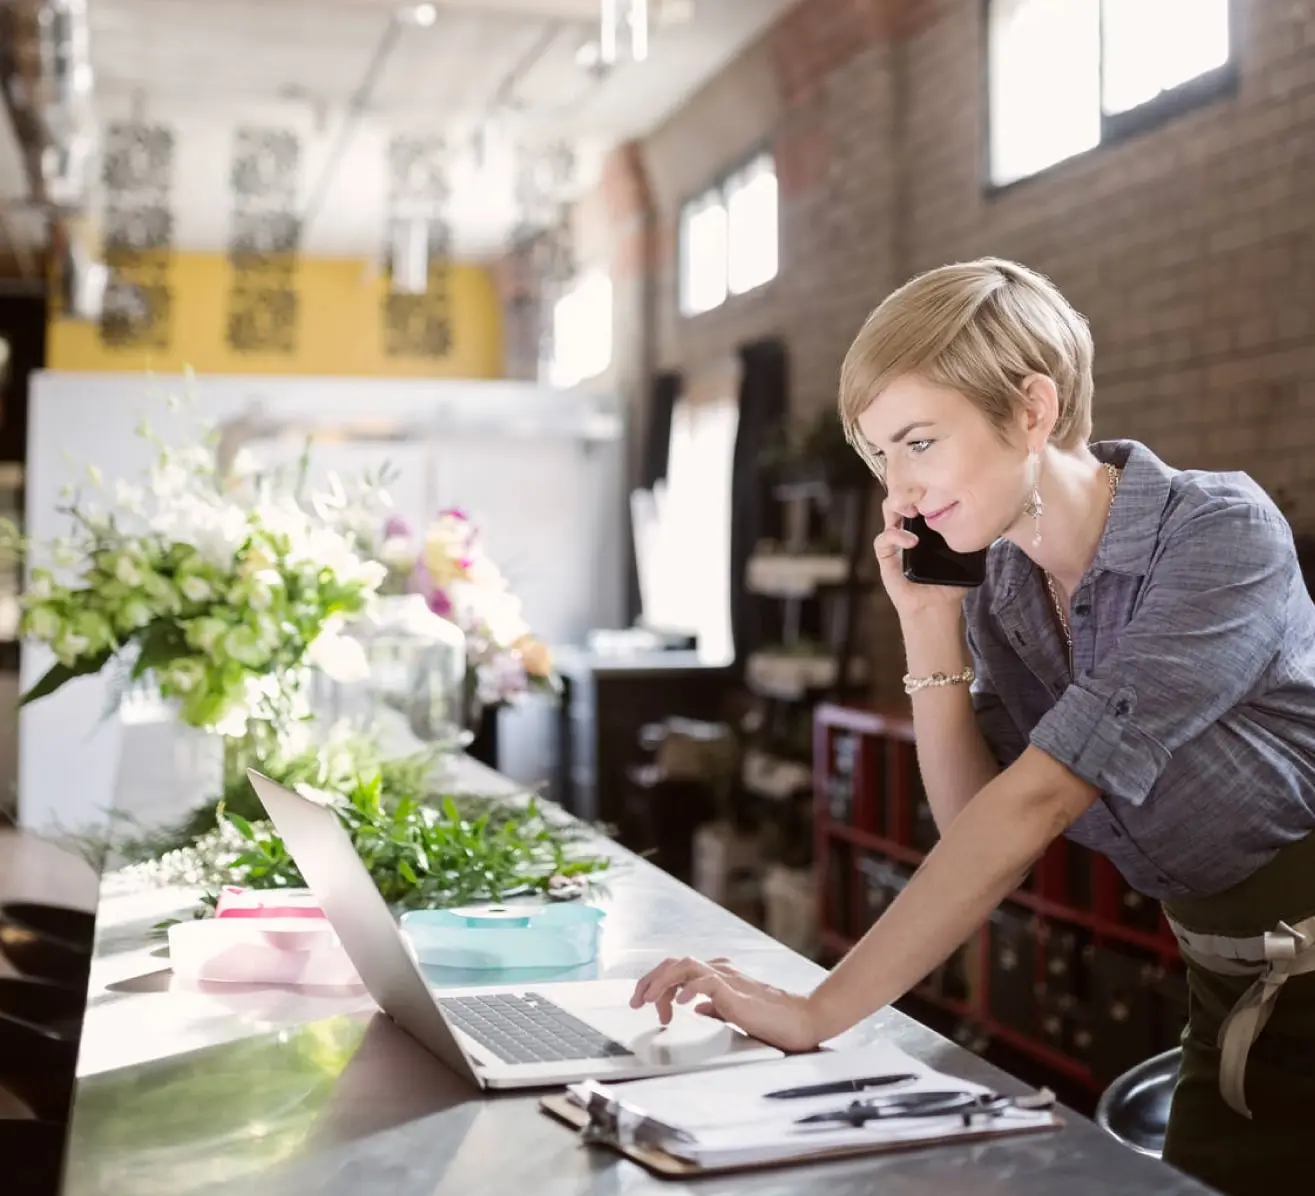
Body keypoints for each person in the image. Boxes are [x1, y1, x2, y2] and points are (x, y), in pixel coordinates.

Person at [629, 258, 1315, 1196]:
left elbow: (1035, 801)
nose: (899, 491)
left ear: (1032, 410)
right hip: (1228, 990)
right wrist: (924, 621)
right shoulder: (1001, 590)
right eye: (880, 458)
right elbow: (975, 828)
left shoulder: (1217, 535)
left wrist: (819, 1008)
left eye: (918, 442)